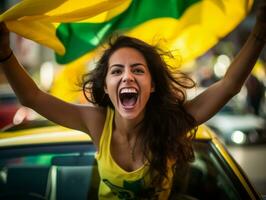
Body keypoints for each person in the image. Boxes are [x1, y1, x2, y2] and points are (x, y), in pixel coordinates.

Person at [0, 3, 265, 199]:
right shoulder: (97, 122)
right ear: (106, 86)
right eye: (117, 71)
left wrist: (258, 35)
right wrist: (5, 52)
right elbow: (31, 97)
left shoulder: (172, 124)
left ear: (151, 86)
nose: (127, 76)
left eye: (138, 70)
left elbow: (229, 85)